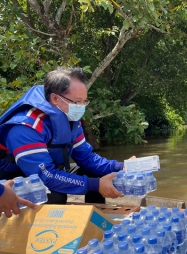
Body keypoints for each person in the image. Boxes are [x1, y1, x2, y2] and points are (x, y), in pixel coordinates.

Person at [0, 67, 127, 204]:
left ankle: (94, 216)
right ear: (55, 98)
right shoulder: (26, 126)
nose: (81, 107)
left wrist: (121, 166)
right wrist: (95, 185)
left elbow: (87, 158)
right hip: (14, 179)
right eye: (77, 102)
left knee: (96, 173)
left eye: (85, 101)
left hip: (48, 170)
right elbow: (45, 175)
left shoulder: (70, 120)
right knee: (55, 195)